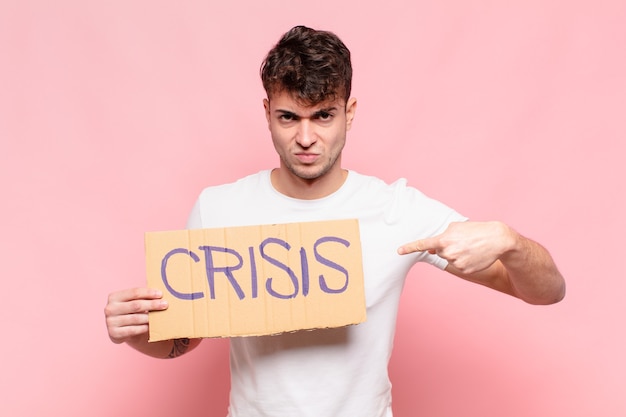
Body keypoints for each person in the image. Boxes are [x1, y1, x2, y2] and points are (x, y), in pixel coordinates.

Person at [104, 25, 565, 416]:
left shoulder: (396, 209)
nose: (306, 138)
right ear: (267, 113)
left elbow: (548, 292)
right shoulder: (218, 208)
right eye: (289, 117)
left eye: (323, 116)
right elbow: (184, 339)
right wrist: (136, 333)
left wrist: (509, 241)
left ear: (349, 112)